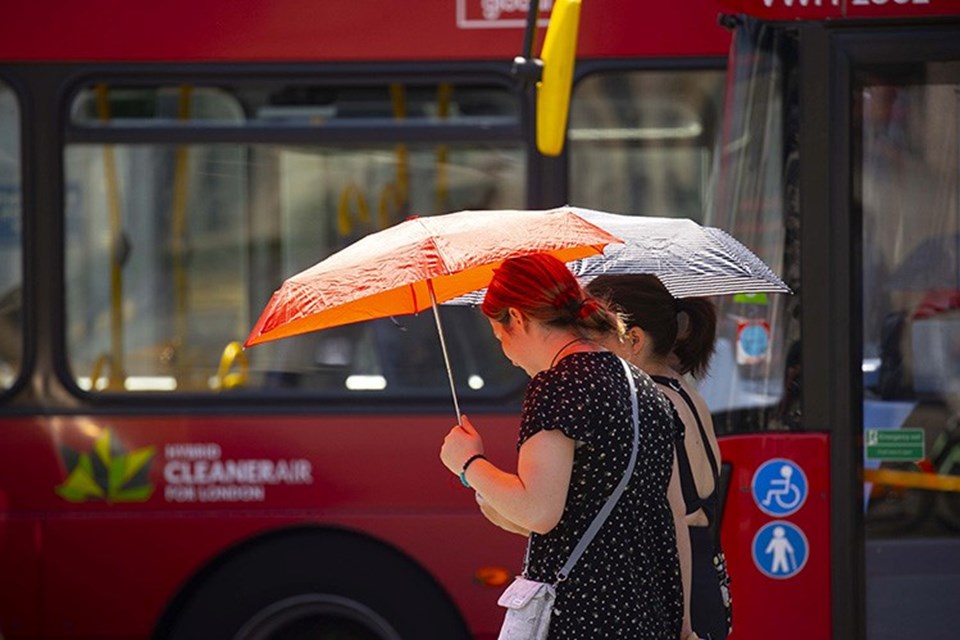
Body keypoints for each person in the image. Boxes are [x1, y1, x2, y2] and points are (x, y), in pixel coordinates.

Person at [440, 254, 694, 640]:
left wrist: (469, 463)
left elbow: (540, 510)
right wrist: (684, 625)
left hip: (581, 616)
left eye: (500, 337)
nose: (507, 355)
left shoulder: (559, 385)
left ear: (518, 318)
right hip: (650, 615)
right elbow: (671, 514)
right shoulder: (646, 389)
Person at [586, 274, 732, 640]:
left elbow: (660, 519)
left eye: (595, 332)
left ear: (633, 340)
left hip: (673, 598)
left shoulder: (650, 407)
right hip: (708, 588)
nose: (585, 346)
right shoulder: (686, 392)